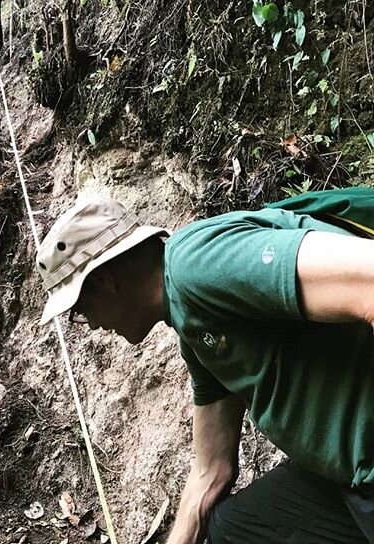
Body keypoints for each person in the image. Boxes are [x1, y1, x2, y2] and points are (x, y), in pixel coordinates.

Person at [35, 194, 374, 543]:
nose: (89, 324)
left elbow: (370, 278)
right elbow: (211, 470)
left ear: (105, 281)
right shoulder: (194, 326)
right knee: (237, 527)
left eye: (78, 310)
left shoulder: (199, 265)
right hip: (345, 481)